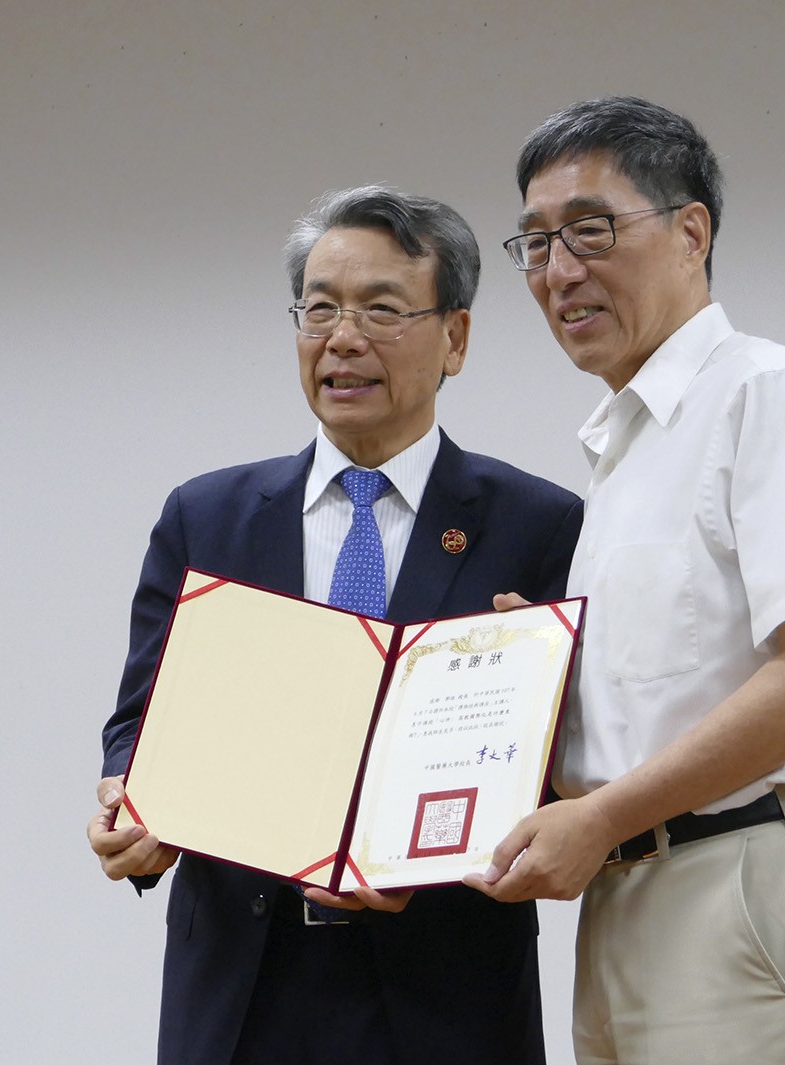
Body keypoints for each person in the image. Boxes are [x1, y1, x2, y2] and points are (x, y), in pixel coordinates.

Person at [87, 185, 583, 1065]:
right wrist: (129, 798)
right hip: (243, 987)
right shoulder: (208, 518)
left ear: (456, 338)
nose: (342, 338)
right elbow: (142, 718)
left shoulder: (538, 525)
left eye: (381, 310)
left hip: (445, 994)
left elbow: (565, 766)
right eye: (319, 309)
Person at [466, 97, 785, 1065]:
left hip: (735, 877)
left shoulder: (763, 392)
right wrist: (533, 679)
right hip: (626, 887)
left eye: (589, 230)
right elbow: (664, 700)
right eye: (533, 244)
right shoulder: (625, 448)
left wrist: (601, 815)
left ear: (689, 231)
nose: (558, 272)